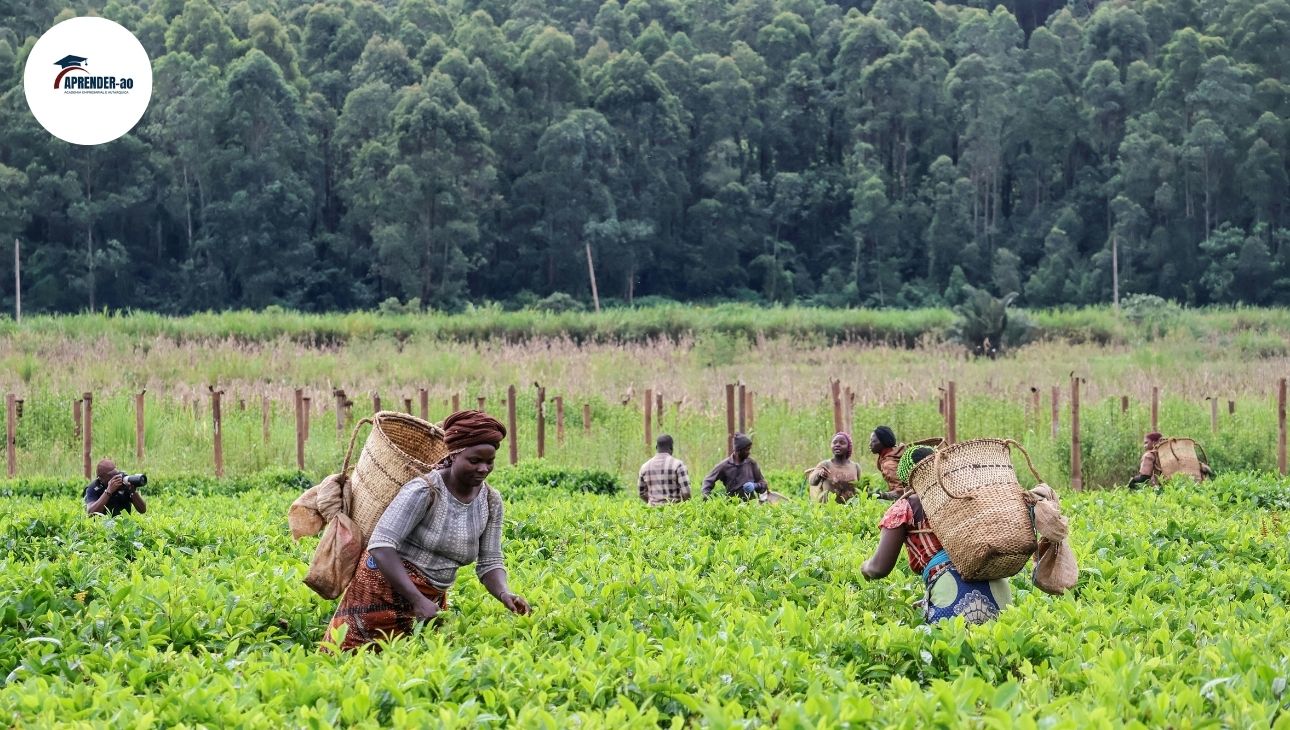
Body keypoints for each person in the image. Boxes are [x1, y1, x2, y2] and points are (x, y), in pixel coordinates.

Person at [325, 410, 530, 652]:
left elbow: (490, 562)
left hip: (430, 597)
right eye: (475, 461)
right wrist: (416, 599)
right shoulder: (424, 490)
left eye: (490, 461)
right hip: (381, 588)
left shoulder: (490, 500)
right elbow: (381, 546)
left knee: (413, 663)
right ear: (454, 455)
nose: (483, 469)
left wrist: (504, 593)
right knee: (350, 656)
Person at [861, 446, 1012, 625]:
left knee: (948, 642)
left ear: (905, 480)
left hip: (953, 594)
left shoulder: (904, 508)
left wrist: (864, 568)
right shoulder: (965, 496)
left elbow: (879, 568)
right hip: (1001, 594)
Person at [1129, 432, 1214, 488]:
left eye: (1146, 443)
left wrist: (1133, 481)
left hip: (1167, 489)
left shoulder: (1149, 455)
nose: (1144, 446)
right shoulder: (1174, 451)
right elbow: (1207, 470)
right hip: (1194, 486)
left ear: (1154, 442)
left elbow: (1144, 477)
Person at [701, 433, 768, 501]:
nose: (749, 452)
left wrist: (755, 486)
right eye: (747, 449)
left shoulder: (751, 463)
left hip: (751, 504)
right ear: (739, 450)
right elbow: (708, 480)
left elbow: (763, 484)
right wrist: (706, 496)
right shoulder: (725, 465)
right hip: (732, 504)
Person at [806, 432, 862, 504]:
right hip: (830, 508)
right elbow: (812, 481)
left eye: (842, 443)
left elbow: (860, 487)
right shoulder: (825, 465)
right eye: (834, 442)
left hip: (851, 508)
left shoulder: (855, 467)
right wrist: (819, 475)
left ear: (849, 447)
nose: (837, 445)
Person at [638, 434, 692, 505]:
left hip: (652, 510)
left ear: (656, 447)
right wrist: (684, 505)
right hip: (673, 510)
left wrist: (653, 503)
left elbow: (641, 493)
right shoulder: (678, 465)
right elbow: (686, 492)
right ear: (671, 448)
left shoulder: (645, 466)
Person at [870, 426, 907, 500]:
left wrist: (881, 495)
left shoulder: (888, 465)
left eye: (873, 441)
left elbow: (900, 493)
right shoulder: (895, 452)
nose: (870, 444)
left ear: (883, 442)